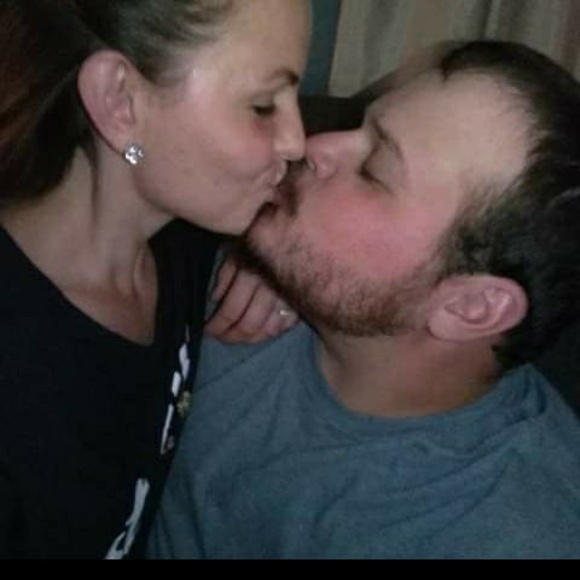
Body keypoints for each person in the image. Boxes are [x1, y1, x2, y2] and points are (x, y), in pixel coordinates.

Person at [148, 40, 580, 559]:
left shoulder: (494, 534)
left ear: (470, 307)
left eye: (374, 169)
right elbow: (124, 156)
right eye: (360, 124)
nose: (311, 145)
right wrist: (253, 246)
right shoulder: (259, 271)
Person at [0, 0, 311, 559]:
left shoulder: (185, 245)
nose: (297, 141)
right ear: (119, 101)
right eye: (263, 106)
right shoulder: (20, 373)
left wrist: (270, 262)